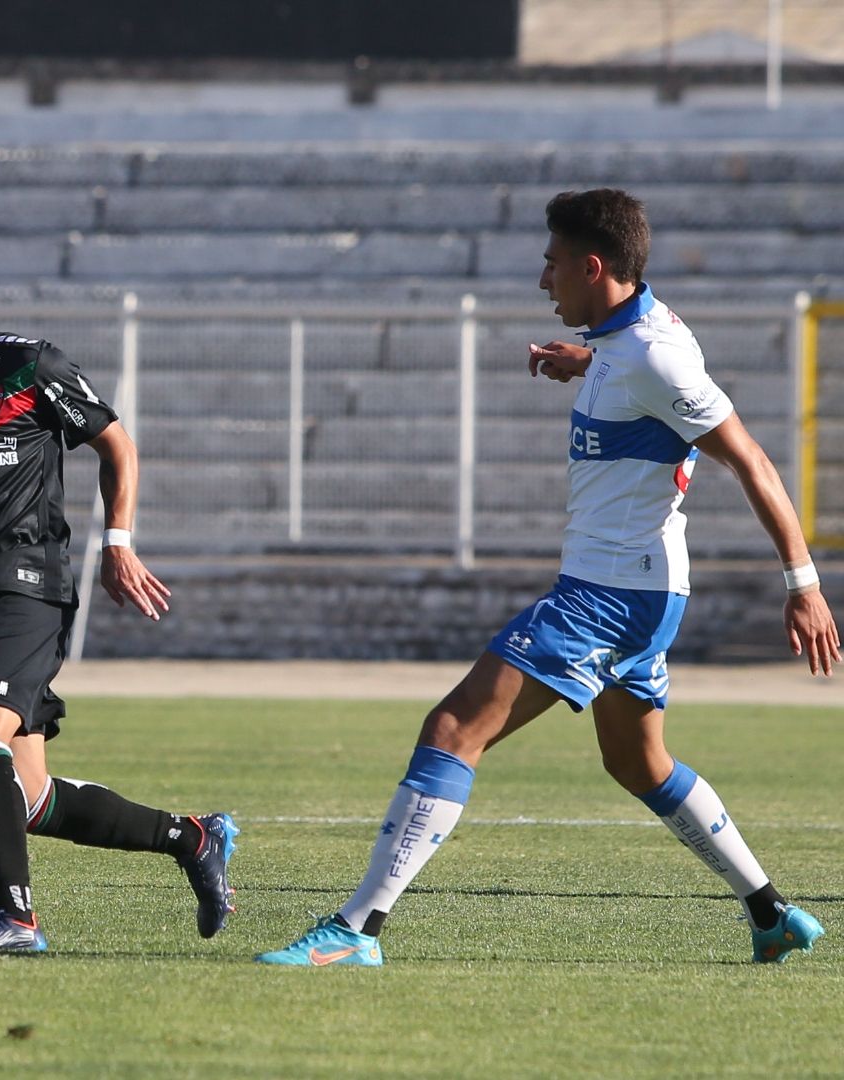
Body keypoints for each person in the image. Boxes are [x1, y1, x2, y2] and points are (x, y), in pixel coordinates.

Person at [258, 189, 837, 968]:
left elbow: (752, 460)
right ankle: (771, 914)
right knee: (637, 763)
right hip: (639, 588)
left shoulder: (657, 355)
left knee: (455, 728)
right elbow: (635, 377)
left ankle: (357, 930)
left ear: (593, 267)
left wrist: (803, 583)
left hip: (609, 596)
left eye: (552, 264)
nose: (543, 282)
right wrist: (589, 365)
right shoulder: (628, 344)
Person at [0, 239, 237, 952]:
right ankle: (194, 838)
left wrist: (117, 543)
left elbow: (115, 444)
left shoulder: (29, 366)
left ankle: (15, 919)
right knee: (25, 797)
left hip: (28, 586)